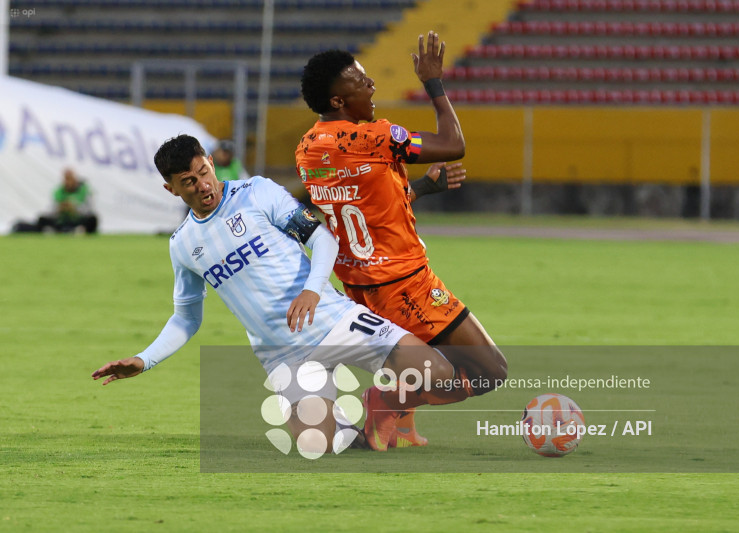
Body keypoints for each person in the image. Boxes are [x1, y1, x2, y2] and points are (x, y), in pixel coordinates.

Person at [91, 134, 473, 454]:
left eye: (203, 172)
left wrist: (311, 291)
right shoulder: (183, 244)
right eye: (188, 181)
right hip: (283, 354)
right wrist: (144, 359)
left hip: (334, 320)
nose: (202, 185)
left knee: (438, 375)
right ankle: (352, 431)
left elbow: (322, 238)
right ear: (171, 188)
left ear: (210, 163)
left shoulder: (257, 192)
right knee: (319, 445)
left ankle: (381, 402)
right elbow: (186, 319)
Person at [296, 31, 507, 449]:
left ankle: (398, 423)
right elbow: (453, 144)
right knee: (489, 373)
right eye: (361, 81)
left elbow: (364, 208)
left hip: (359, 289)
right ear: (338, 100)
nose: (371, 85)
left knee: (421, 360)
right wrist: (433, 83)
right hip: (404, 284)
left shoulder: (307, 149)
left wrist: (421, 189)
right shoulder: (374, 137)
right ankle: (388, 401)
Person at [12, 168, 98, 234]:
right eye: (66, 179)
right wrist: (60, 208)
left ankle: (78, 229)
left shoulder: (84, 190)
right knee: (42, 219)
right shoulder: (59, 191)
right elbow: (51, 210)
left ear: (75, 179)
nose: (68, 182)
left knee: (93, 219)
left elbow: (89, 210)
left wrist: (74, 209)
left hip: (77, 220)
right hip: (62, 220)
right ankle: (57, 230)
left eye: (70, 179)